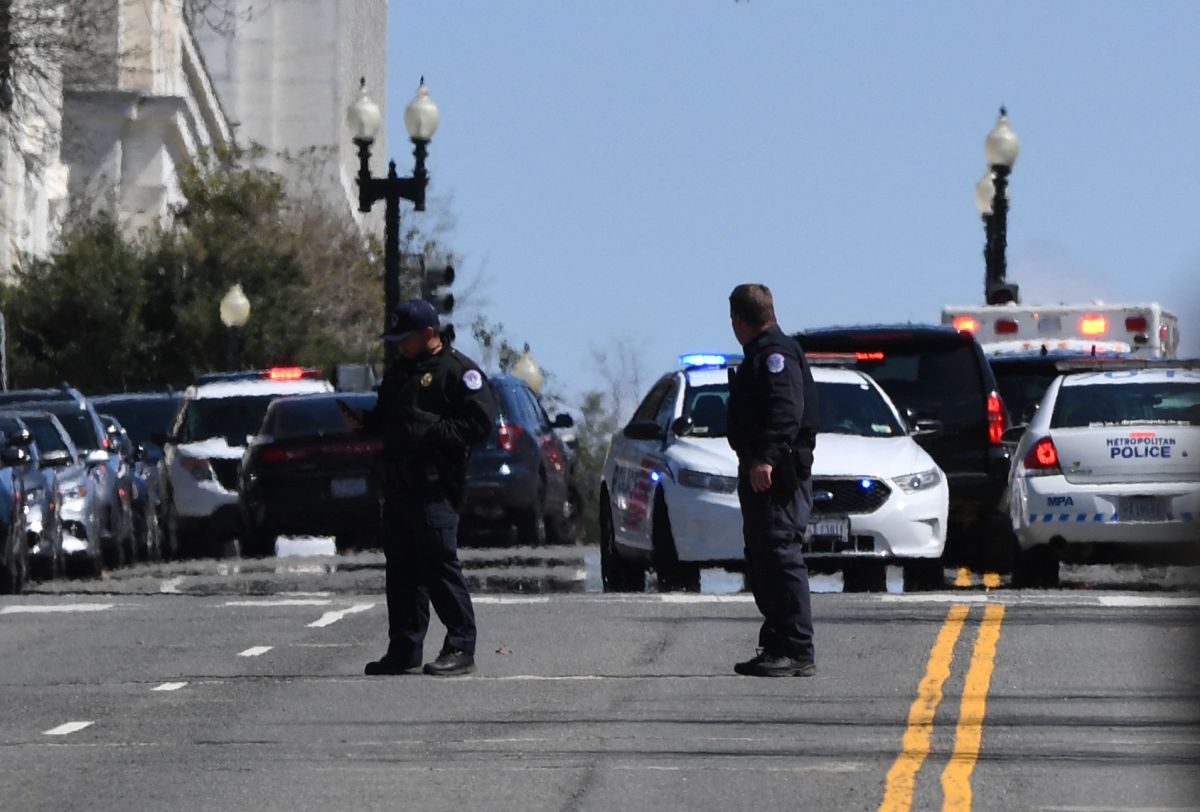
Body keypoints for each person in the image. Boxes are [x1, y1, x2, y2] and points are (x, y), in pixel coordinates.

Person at [342, 298, 498, 677]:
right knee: (402, 571)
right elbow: (388, 418)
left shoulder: (458, 372)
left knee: (439, 565)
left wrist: (433, 433)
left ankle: (461, 646)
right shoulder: (400, 371)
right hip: (397, 486)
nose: (398, 344)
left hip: (434, 486)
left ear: (429, 334)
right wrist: (363, 422)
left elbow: (480, 424)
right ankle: (405, 647)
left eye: (404, 337)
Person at [726, 283, 819, 677]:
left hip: (778, 477)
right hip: (762, 474)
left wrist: (765, 459)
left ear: (739, 320)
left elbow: (786, 411)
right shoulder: (762, 354)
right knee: (764, 560)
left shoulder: (775, 356)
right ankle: (778, 643)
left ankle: (798, 648)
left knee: (780, 557)